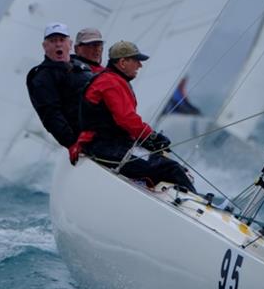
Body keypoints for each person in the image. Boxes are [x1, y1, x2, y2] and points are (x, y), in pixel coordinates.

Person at [77, 40, 196, 192]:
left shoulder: (111, 79)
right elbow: (127, 119)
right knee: (171, 168)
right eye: (136, 61)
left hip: (111, 147)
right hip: (106, 149)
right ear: (122, 62)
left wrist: (148, 141)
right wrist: (151, 138)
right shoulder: (110, 83)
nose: (140, 65)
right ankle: (194, 208)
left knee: (167, 164)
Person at [27, 22, 94, 148]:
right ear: (45, 46)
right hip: (88, 139)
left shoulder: (81, 64)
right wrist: (72, 144)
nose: (58, 44)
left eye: (62, 40)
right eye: (52, 41)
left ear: (70, 44)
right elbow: (50, 114)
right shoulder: (42, 77)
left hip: (109, 128)